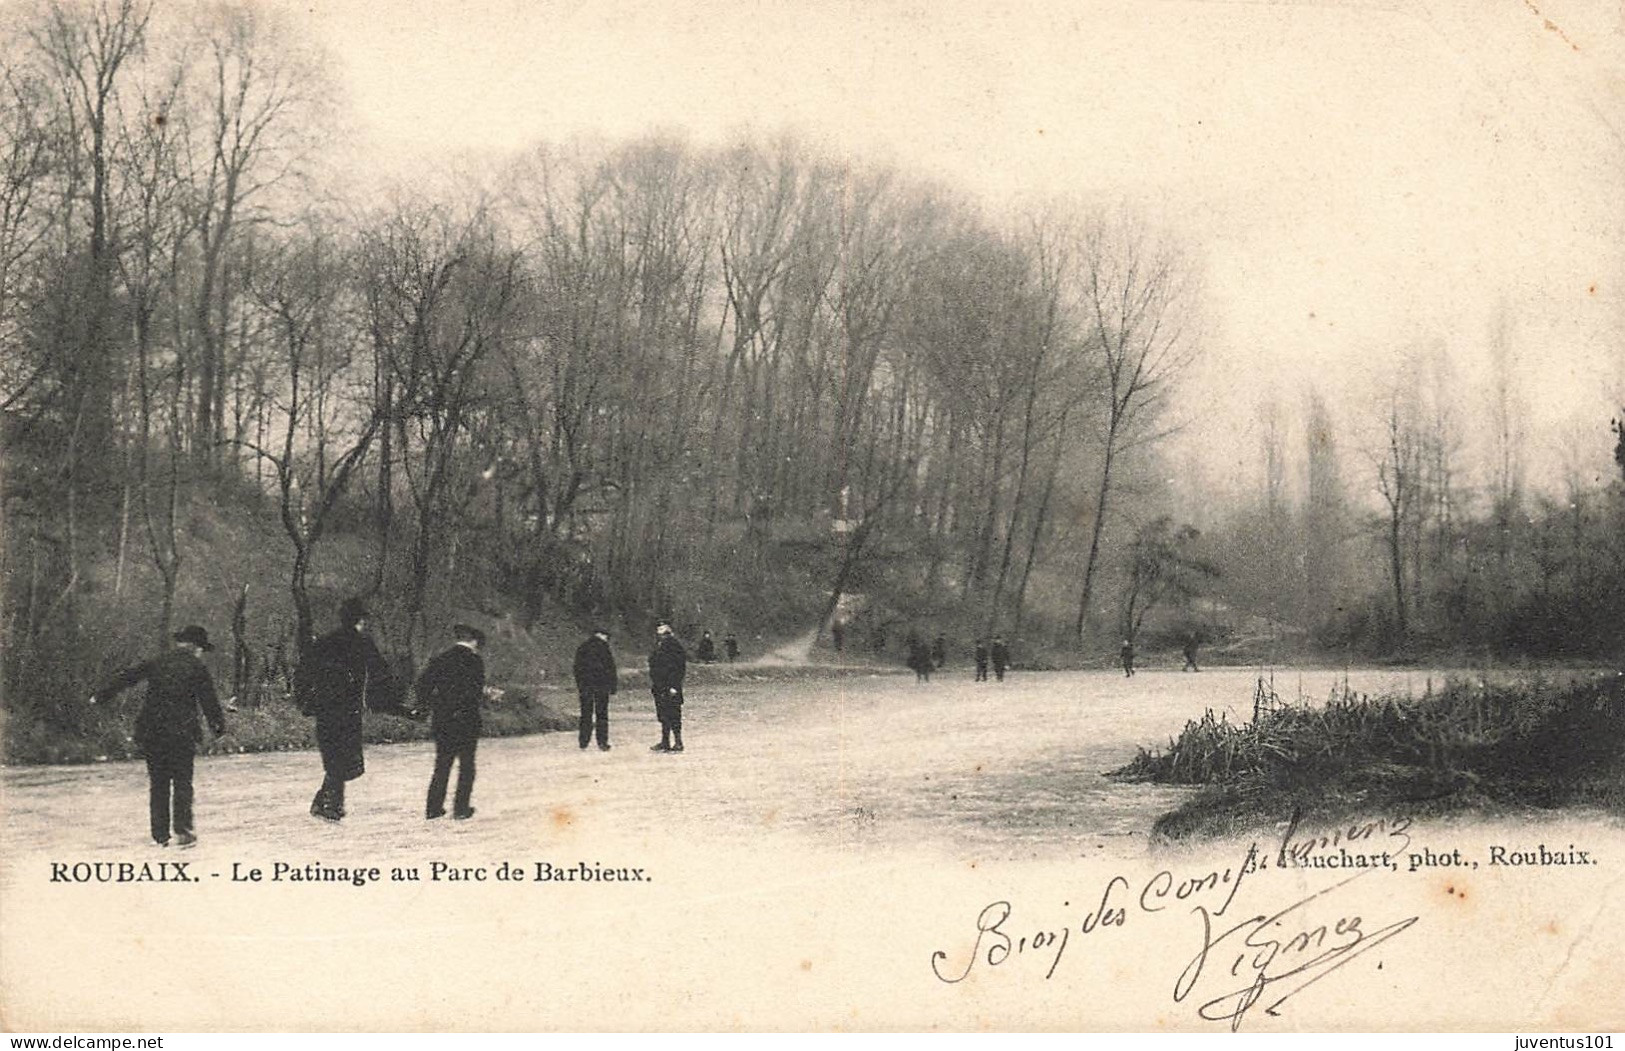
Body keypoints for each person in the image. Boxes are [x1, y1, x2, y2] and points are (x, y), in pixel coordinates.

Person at [90, 625, 226, 848]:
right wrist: (218, 728)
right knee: (182, 782)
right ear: (195, 646)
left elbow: (128, 677)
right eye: (201, 648)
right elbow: (208, 700)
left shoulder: (158, 661)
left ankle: (160, 835)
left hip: (152, 732)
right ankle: (183, 830)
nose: (201, 652)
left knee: (158, 783)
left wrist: (100, 696)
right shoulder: (197, 667)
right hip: (182, 732)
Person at [295, 597, 400, 823]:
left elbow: (304, 669)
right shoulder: (362, 642)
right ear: (360, 620)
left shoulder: (324, 642)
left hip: (325, 708)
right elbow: (381, 671)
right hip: (348, 708)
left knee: (335, 755)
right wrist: (388, 699)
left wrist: (305, 699)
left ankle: (327, 802)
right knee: (346, 758)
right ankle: (330, 804)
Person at [419, 624, 486, 820]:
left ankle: (433, 807)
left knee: (442, 764)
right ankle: (461, 808)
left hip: (443, 720)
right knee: (466, 765)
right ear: (474, 642)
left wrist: (436, 705)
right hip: (466, 720)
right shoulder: (475, 661)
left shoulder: (440, 659)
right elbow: (475, 691)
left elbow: (423, 686)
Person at [573, 627, 618, 751]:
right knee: (602, 714)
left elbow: (577, 668)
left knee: (585, 714)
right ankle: (602, 742)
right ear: (602, 635)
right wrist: (613, 686)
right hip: (601, 686)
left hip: (586, 686)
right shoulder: (604, 648)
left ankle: (583, 741)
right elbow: (611, 668)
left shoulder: (583, 647)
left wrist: (580, 685)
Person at [648, 622, 688, 753]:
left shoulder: (674, 646)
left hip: (670, 686)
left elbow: (678, 668)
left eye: (662, 631)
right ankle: (665, 741)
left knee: (674, 715)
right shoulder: (658, 646)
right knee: (663, 715)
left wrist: (674, 686)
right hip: (660, 686)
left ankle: (678, 742)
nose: (660, 634)